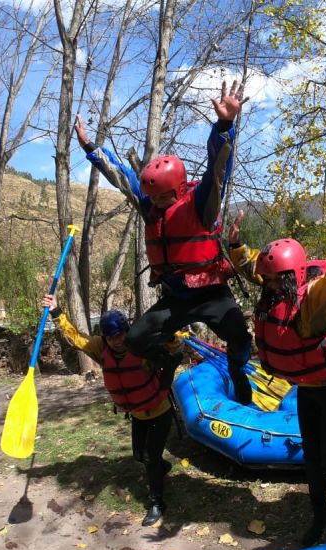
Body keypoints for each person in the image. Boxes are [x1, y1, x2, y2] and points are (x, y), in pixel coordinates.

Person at [73, 81, 253, 403]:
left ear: (179, 189)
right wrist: (89, 147)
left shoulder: (201, 202)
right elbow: (120, 174)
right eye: (150, 197)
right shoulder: (151, 203)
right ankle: (169, 359)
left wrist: (225, 125)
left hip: (212, 292)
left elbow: (217, 168)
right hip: (176, 298)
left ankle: (238, 372)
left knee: (241, 339)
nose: (153, 203)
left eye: (160, 197)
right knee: (137, 340)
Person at [228, 213, 326, 547]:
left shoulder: (314, 302)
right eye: (270, 281)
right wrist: (235, 247)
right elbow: (253, 269)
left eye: (278, 281)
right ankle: (319, 517)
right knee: (312, 463)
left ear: (293, 277)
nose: (271, 287)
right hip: (308, 391)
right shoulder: (274, 288)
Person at [42, 294, 175, 526]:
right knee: (139, 455)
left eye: (121, 335)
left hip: (160, 410)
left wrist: (173, 335)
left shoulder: (141, 344)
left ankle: (157, 502)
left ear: (127, 331)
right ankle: (162, 467)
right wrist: (56, 312)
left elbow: (172, 344)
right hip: (137, 414)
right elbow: (77, 339)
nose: (117, 341)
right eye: (111, 337)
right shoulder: (101, 347)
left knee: (150, 457)